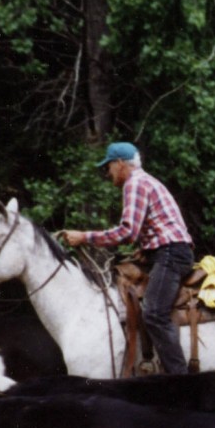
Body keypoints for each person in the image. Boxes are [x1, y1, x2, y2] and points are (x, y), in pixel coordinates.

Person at [62, 142, 195, 375]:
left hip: (171, 253)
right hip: (169, 250)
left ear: (121, 163)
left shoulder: (134, 184)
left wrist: (84, 236)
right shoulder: (147, 181)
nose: (108, 172)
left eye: (109, 166)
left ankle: (181, 380)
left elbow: (127, 232)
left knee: (153, 313)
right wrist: (147, 250)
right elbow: (157, 228)